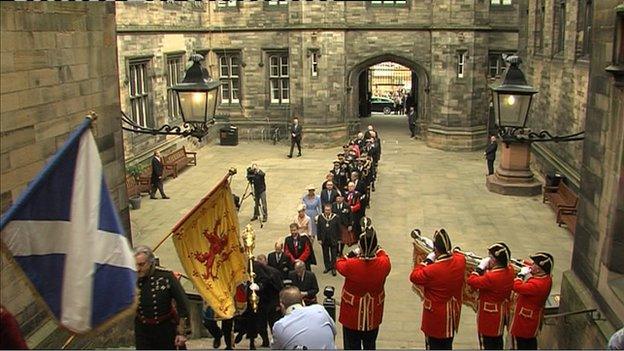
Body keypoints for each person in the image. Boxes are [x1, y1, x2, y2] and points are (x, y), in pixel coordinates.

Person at [336, 218, 391, 350]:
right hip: (373, 314)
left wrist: (352, 253)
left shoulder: (351, 265)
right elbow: (382, 253)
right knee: (370, 345)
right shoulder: (384, 264)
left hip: (352, 314)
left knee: (351, 345)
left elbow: (339, 262)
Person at [409, 229, 466, 350]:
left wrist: (427, 260)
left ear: (436, 250)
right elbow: (458, 254)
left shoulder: (432, 270)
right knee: (447, 345)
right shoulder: (460, 261)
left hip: (434, 319)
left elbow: (414, 276)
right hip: (451, 315)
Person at [134, 245, 191, 350]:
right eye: (135, 265)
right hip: (143, 330)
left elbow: (183, 304)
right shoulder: (131, 279)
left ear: (151, 262)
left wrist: (182, 332)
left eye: (141, 265)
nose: (138, 269)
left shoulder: (166, 277)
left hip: (165, 329)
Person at [466, 243, 515, 350]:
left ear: (494, 260)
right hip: (500, 314)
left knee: (486, 344)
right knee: (498, 343)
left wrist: (479, 268)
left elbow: (471, 281)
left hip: (488, 318)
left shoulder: (491, 277)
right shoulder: (510, 270)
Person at [510, 252, 554, 350]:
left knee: (523, 344)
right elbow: (531, 266)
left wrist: (520, 275)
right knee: (530, 343)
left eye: (534, 264)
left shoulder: (537, 285)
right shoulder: (546, 277)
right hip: (531, 318)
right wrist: (521, 262)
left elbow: (516, 286)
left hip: (525, 320)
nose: (531, 265)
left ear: (538, 269)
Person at [271, 286, 337, 350]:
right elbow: (334, 332)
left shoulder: (280, 326)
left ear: (281, 305)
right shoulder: (320, 310)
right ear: (303, 301)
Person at [317, 204, 341, 276]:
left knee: (334, 255)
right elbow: (318, 228)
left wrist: (339, 239)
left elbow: (339, 229)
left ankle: (334, 268)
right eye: (326, 210)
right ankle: (327, 267)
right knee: (325, 254)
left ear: (331, 210)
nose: (327, 211)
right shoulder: (320, 217)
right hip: (324, 239)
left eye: (328, 210)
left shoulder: (336, 217)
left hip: (333, 239)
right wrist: (319, 238)